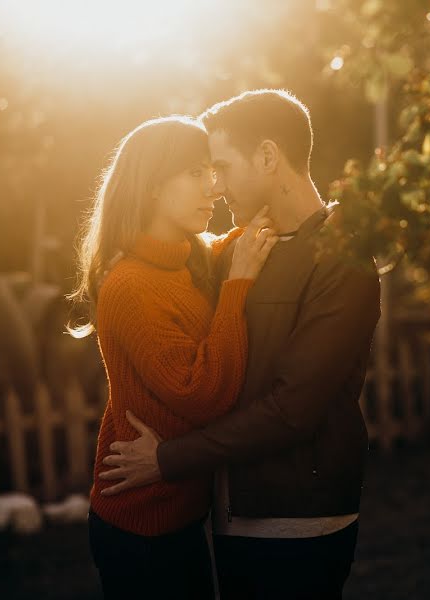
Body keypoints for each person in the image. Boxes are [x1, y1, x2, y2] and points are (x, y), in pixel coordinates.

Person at [98, 89, 382, 599]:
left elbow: (293, 409)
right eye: (204, 172)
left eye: (222, 167)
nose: (217, 186)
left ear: (268, 156)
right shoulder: (239, 251)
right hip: (224, 513)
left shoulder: (343, 257)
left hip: (296, 517)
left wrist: (168, 459)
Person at [68, 114, 278, 599]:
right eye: (197, 173)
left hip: (182, 514)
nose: (213, 187)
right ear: (153, 187)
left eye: (213, 172)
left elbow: (231, 243)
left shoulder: (189, 255)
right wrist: (238, 286)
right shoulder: (130, 286)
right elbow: (202, 396)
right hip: (141, 527)